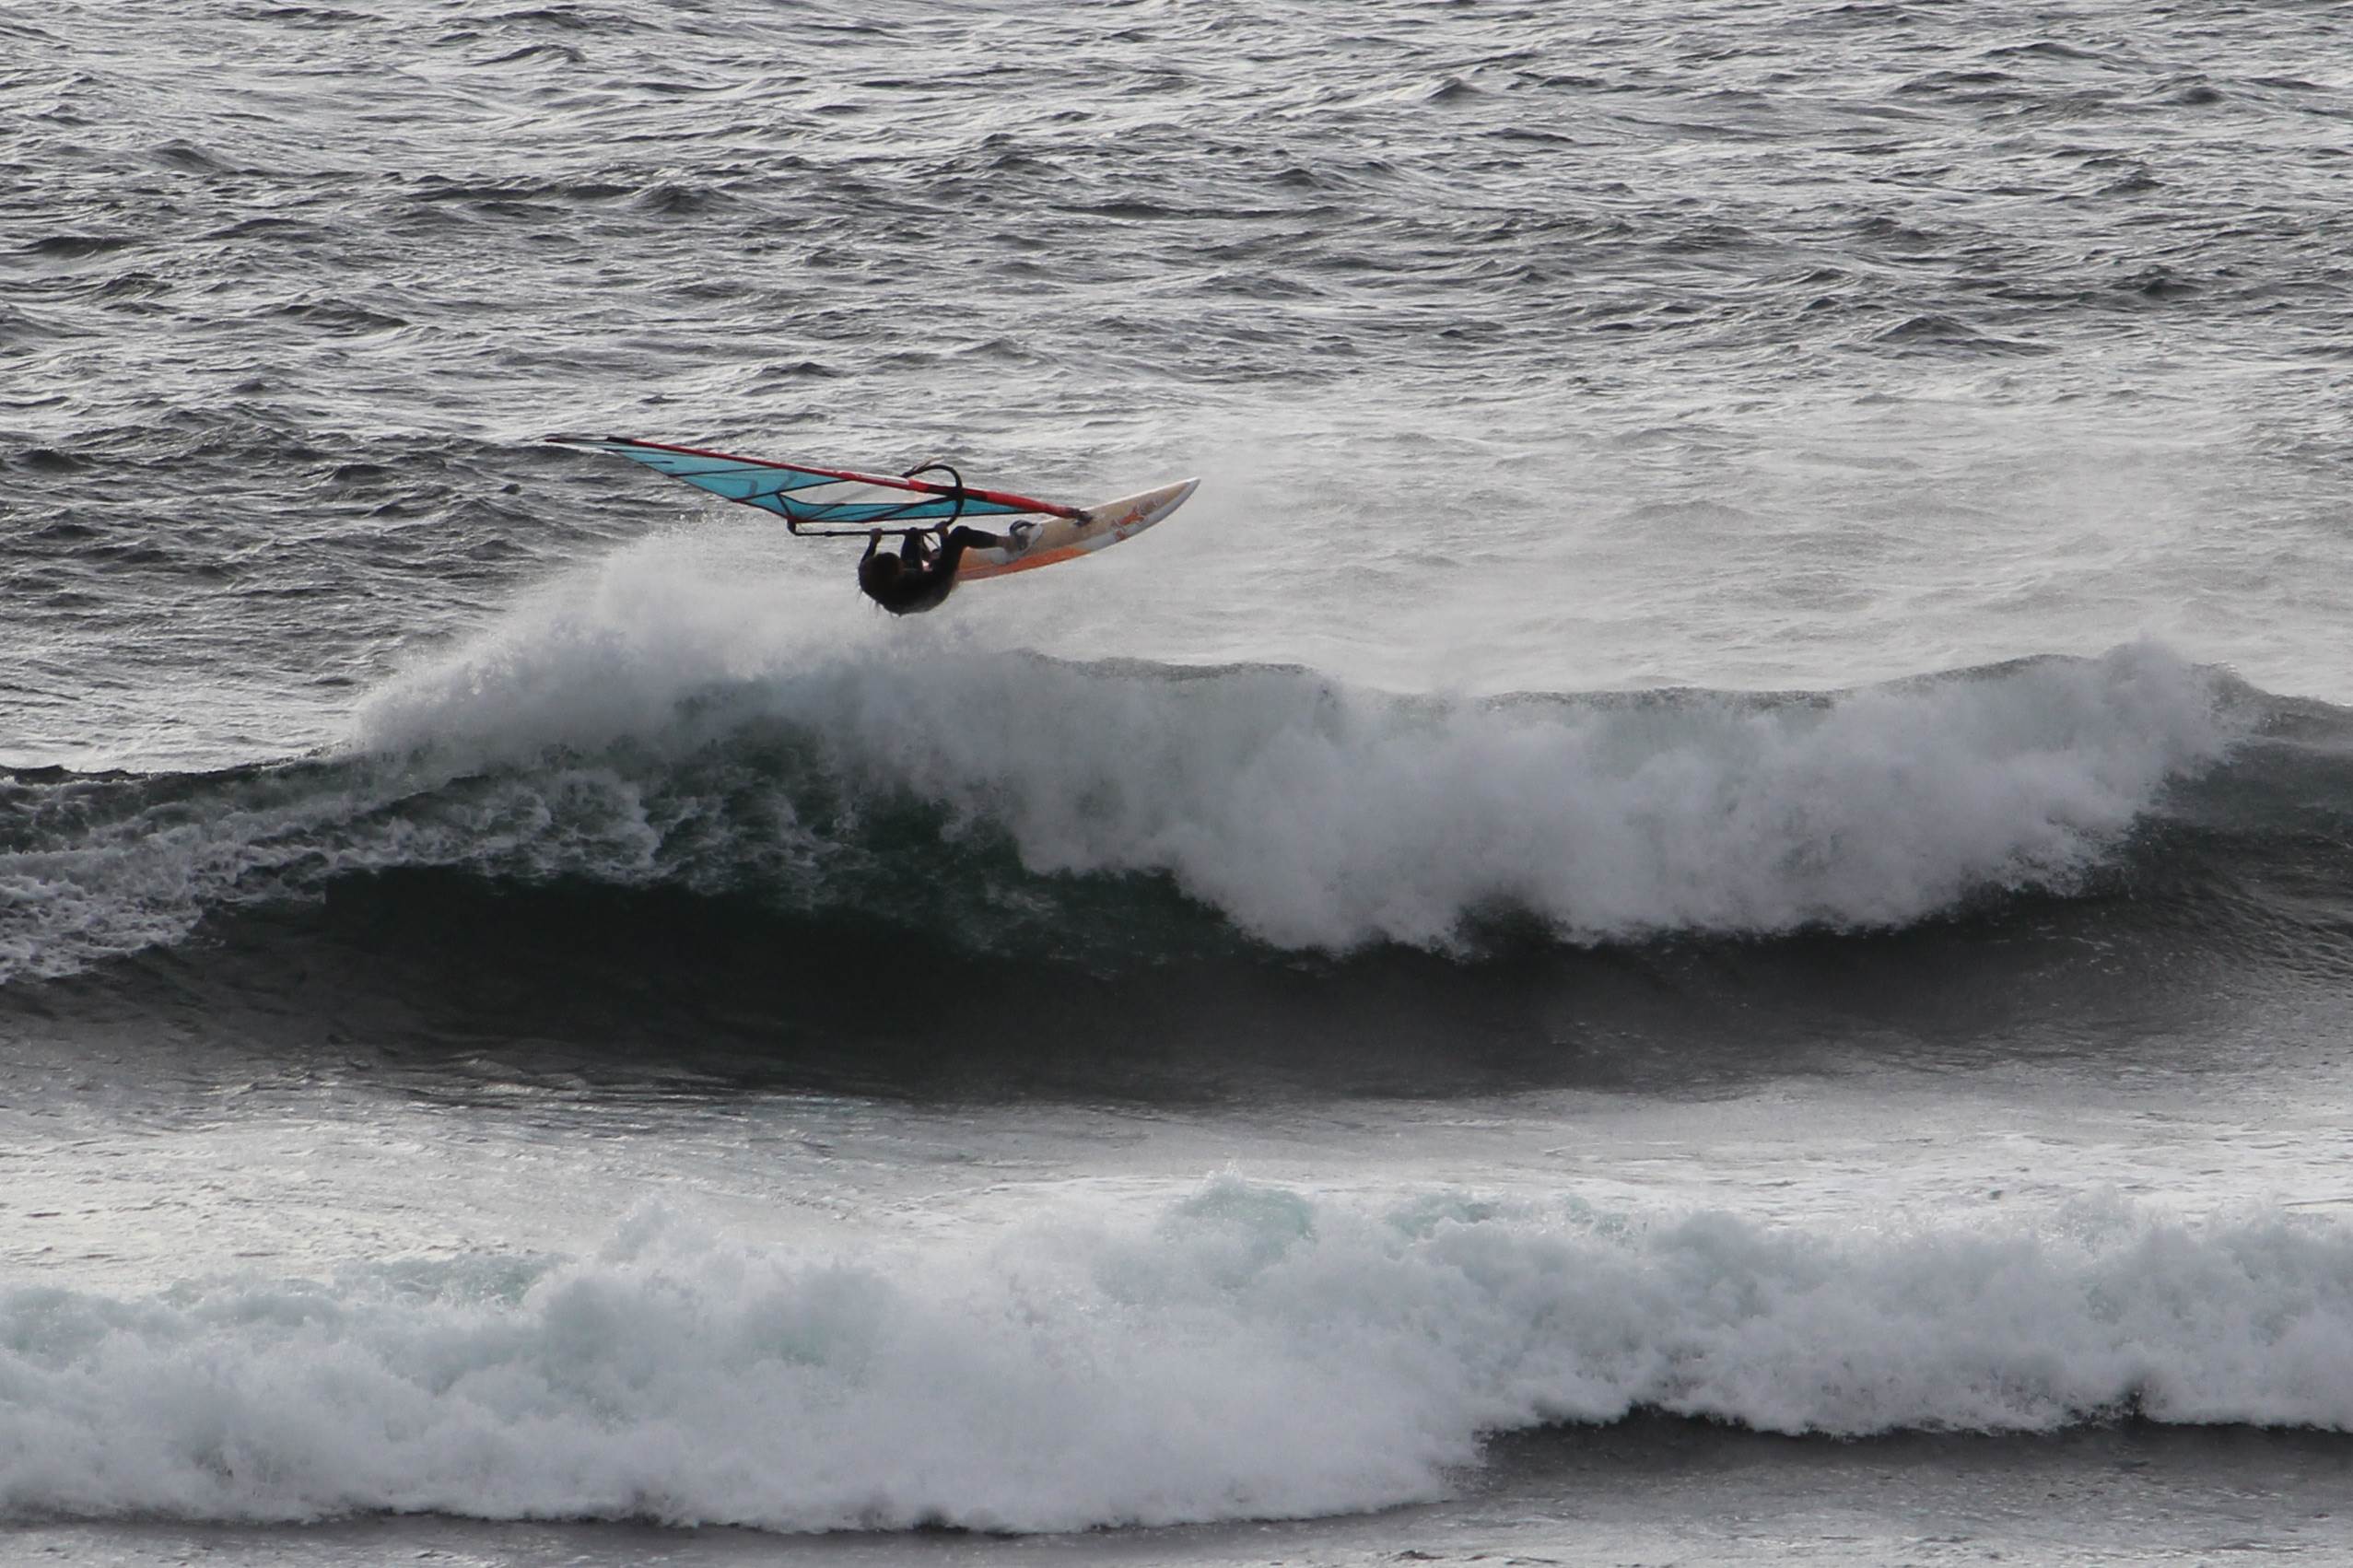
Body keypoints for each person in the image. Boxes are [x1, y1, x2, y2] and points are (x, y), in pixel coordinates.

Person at [857, 521, 1030, 614]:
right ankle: (1010, 545)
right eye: (901, 565)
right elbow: (943, 572)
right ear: (899, 573)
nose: (903, 563)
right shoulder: (919, 584)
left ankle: (932, 555)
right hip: (933, 594)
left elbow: (867, 562)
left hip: (902, 598)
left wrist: (873, 542)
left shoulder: (867, 577)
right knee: (960, 533)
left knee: (913, 534)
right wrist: (944, 537)